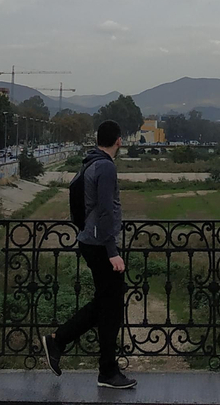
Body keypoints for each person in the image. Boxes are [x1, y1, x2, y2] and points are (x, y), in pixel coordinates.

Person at [42, 121, 134, 389]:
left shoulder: (90, 161)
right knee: (112, 305)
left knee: (108, 303)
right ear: (119, 141)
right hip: (99, 244)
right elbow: (105, 211)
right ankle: (106, 371)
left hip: (90, 240)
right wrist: (112, 251)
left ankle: (61, 342)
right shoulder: (105, 166)